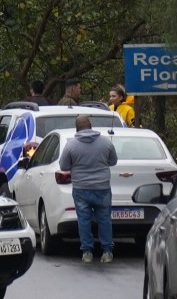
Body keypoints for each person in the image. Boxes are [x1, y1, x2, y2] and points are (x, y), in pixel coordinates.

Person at [60, 113, 119, 263]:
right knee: (105, 219)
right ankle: (107, 252)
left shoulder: (71, 145)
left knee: (84, 220)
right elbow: (113, 161)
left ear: (77, 128)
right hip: (102, 187)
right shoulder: (105, 142)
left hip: (81, 188)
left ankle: (87, 252)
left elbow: (63, 166)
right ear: (91, 126)